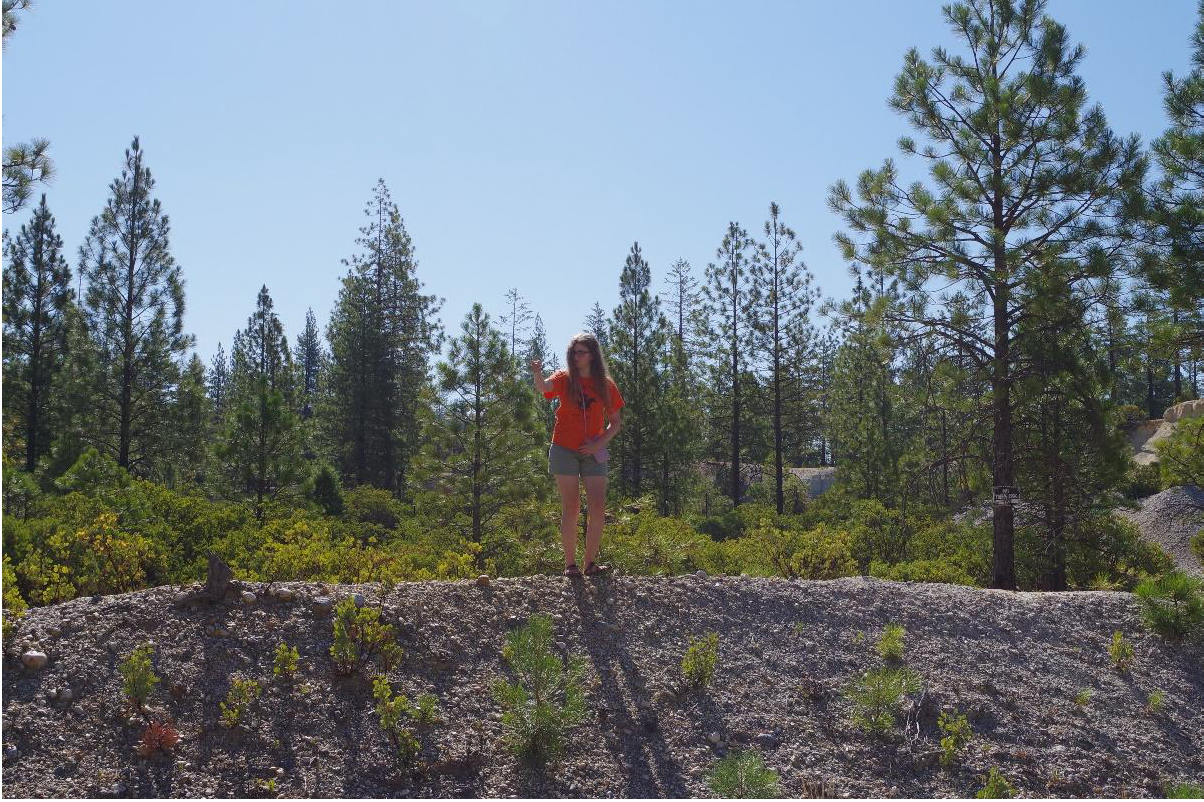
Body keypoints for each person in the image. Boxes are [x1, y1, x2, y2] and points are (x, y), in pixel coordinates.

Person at [530, 332, 624, 578]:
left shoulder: (605, 384)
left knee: (598, 506)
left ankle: (590, 563)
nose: (575, 356)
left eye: (580, 352)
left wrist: (597, 444)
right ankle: (570, 564)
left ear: (592, 355)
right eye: (573, 352)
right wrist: (537, 373)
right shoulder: (564, 378)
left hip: (593, 451)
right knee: (570, 506)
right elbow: (544, 388)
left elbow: (615, 423)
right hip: (564, 449)